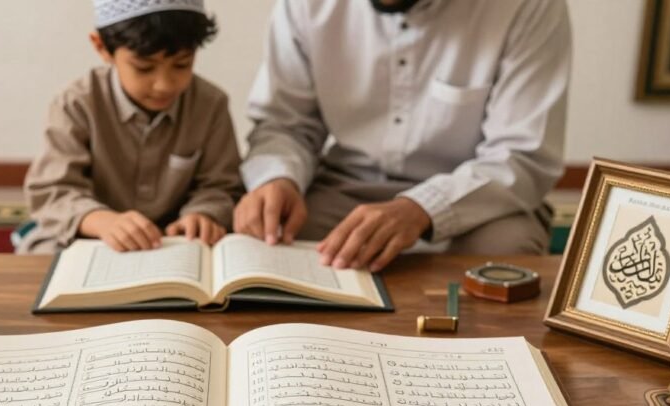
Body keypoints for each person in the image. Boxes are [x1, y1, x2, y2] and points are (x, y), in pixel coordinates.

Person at [234, 0, 572, 271]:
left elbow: (521, 155)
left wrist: (422, 208)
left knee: (504, 253)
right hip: (344, 188)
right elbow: (286, 123)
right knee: (266, 241)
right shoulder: (303, 6)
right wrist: (278, 178)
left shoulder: (529, 6)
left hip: (476, 200)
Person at [17, 0, 242, 254]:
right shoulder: (76, 103)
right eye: (144, 68)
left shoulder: (211, 104)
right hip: (95, 235)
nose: (164, 84)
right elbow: (53, 190)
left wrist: (202, 214)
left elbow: (221, 185)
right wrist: (102, 221)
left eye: (182, 64)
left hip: (174, 241)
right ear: (101, 47)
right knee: (42, 255)